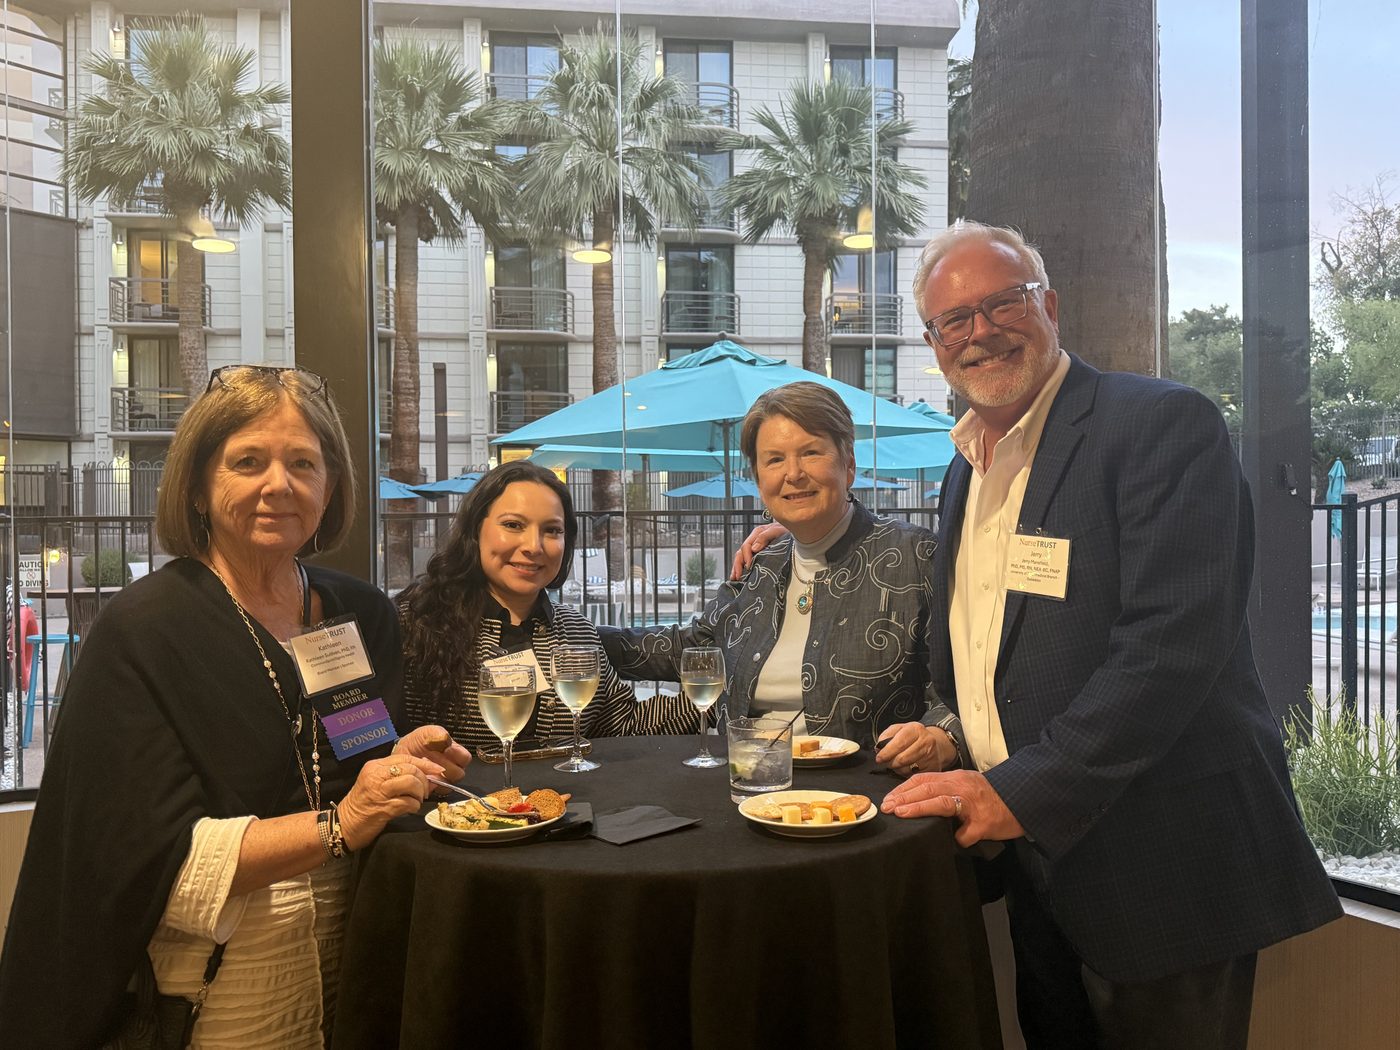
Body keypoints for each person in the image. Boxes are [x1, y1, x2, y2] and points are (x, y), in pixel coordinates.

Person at [875, 222, 1340, 1048]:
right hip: (1042, 869)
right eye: (955, 319)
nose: (980, 331)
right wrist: (958, 735)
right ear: (934, 343)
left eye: (1002, 302)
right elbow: (997, 642)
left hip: (1164, 867)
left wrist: (1014, 791)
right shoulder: (965, 468)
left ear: (1048, 305)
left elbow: (1169, 650)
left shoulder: (1160, 425)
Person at [0, 365, 470, 1049]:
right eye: (248, 461)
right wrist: (343, 822)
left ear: (330, 487)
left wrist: (399, 766)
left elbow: (348, 758)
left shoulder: (358, 613)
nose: (278, 484)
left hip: (365, 965)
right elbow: (152, 860)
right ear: (196, 484)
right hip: (224, 997)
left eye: (303, 463)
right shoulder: (144, 632)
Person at [603, 381, 960, 770]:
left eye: (811, 453)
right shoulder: (761, 566)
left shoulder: (915, 555)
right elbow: (690, 648)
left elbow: (963, 681)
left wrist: (941, 736)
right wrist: (570, 634)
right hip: (750, 786)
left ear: (849, 465)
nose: (793, 474)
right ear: (759, 480)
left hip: (869, 794)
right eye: (774, 460)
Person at [399, 460, 698, 748]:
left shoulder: (577, 632)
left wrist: (719, 692)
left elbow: (623, 724)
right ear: (476, 530)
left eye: (552, 530)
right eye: (513, 525)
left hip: (560, 799)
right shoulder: (414, 624)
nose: (533, 546)